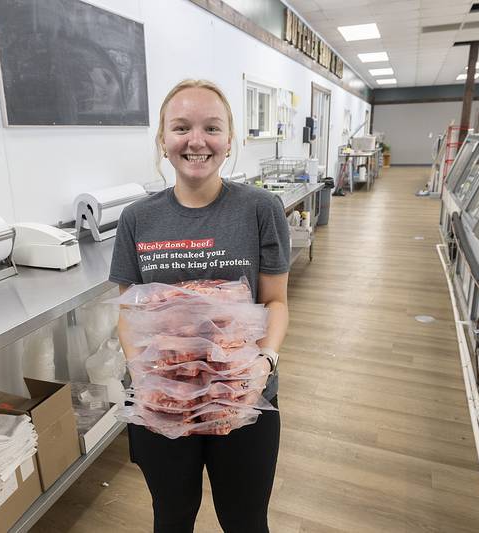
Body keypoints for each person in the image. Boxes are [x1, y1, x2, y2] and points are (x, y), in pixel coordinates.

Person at [109, 79, 290, 533]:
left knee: (245, 520)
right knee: (171, 517)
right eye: (181, 127)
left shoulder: (261, 208)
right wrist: (146, 378)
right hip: (162, 398)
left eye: (212, 127)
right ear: (163, 140)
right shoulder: (137, 218)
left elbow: (275, 301)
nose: (196, 141)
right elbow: (129, 312)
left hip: (241, 393)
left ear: (230, 140)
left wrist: (262, 366)